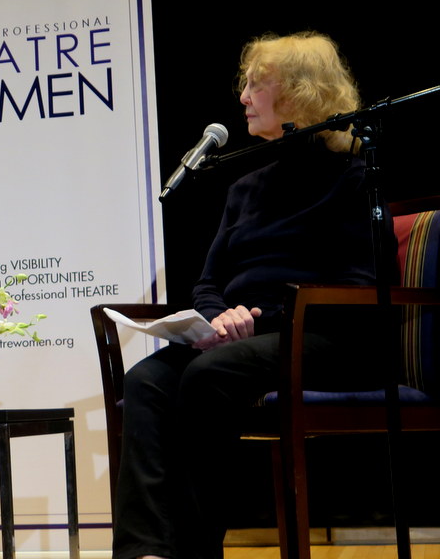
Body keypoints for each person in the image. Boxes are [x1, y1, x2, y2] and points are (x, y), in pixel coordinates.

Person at [112, 32, 389, 559]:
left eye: (256, 85)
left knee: (209, 374)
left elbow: (358, 286)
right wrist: (218, 320)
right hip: (242, 340)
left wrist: (258, 320)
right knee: (146, 379)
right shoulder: (246, 188)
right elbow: (209, 281)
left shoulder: (353, 178)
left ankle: (195, 549)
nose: (242, 97)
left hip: (324, 337)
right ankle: (144, 552)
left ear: (299, 93)